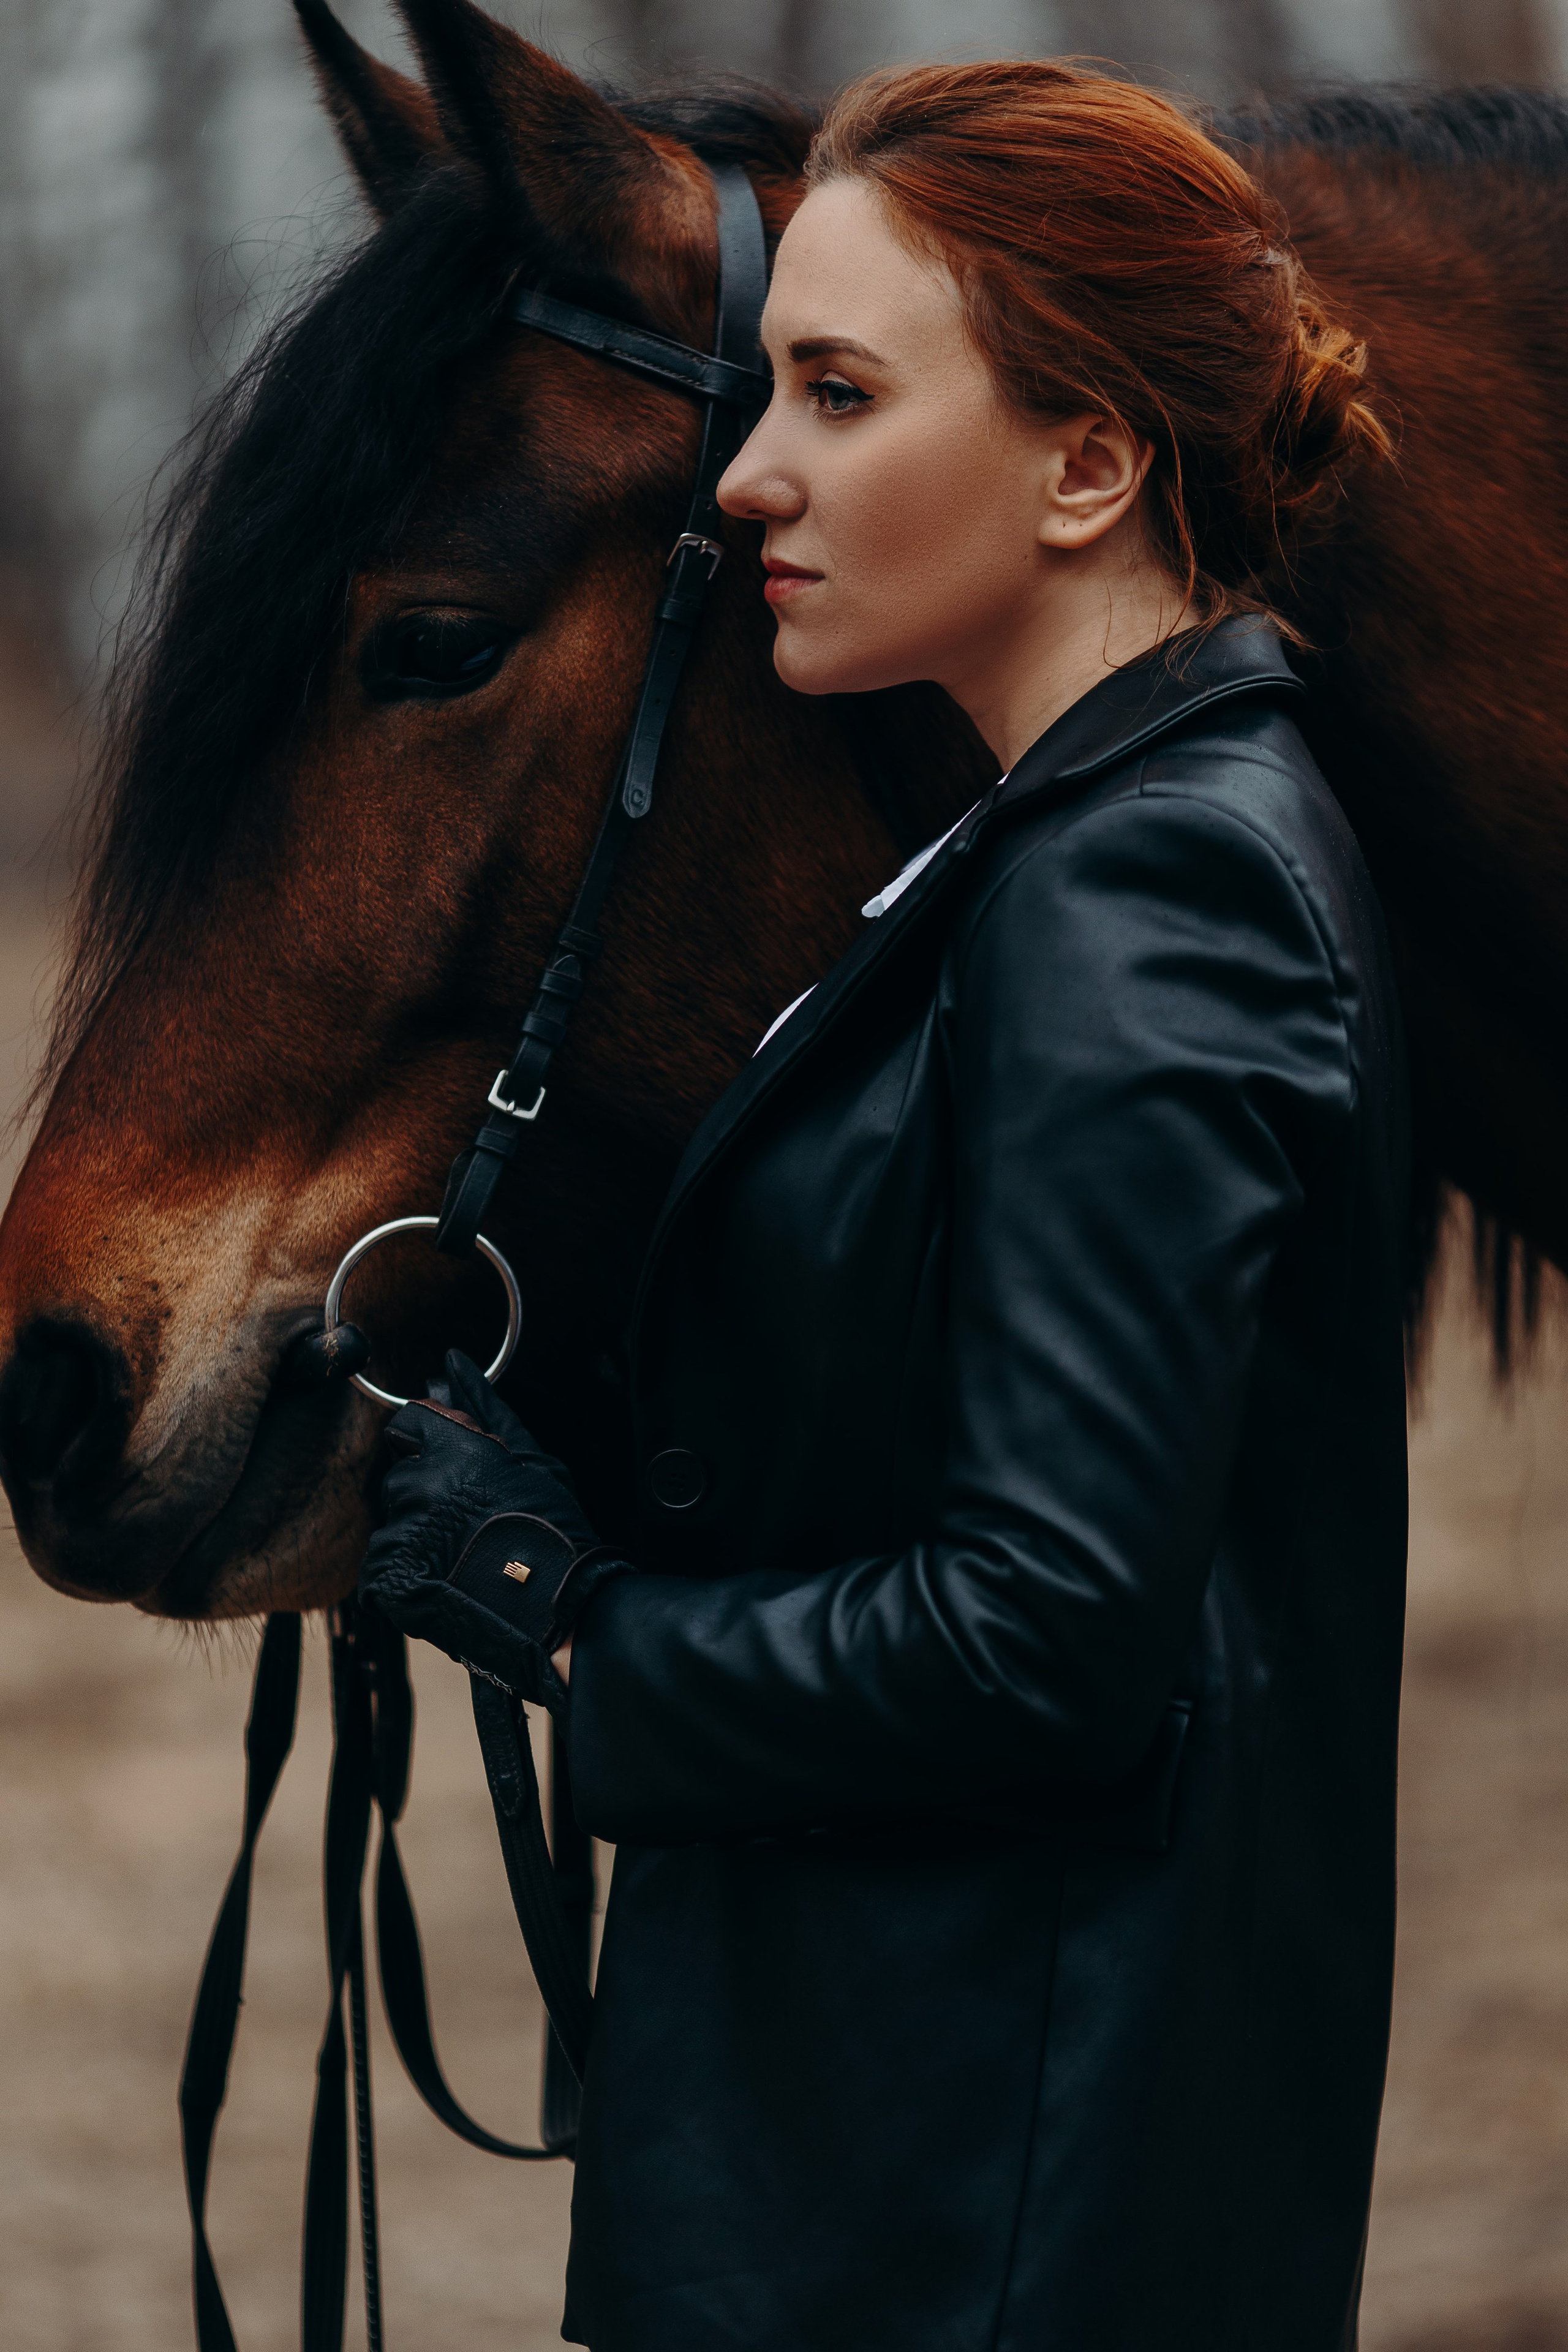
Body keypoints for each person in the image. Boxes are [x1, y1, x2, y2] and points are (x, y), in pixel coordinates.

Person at [361, 59, 1409, 2352]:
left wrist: (571, 1625)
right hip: (933, 2178)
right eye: (772, 391)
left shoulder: (1156, 888)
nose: (750, 471)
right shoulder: (1071, 843)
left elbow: (1045, 1637)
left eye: (839, 395)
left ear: (1087, 466)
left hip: (981, 2229)